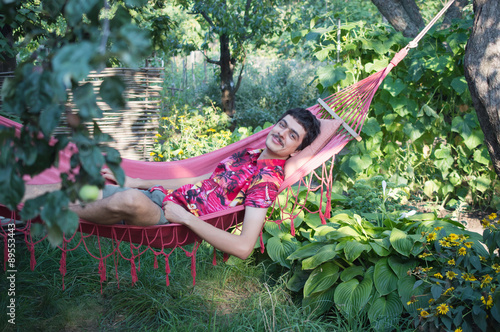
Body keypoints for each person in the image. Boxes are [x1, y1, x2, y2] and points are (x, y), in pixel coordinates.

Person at [26, 108, 321, 260]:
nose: (282, 133)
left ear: (295, 150)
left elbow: (244, 247)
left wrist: (185, 218)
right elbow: (200, 179)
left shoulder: (267, 181)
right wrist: (138, 180)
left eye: (292, 135)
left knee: (128, 201)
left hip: (170, 219)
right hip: (161, 197)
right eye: (283, 124)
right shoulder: (249, 153)